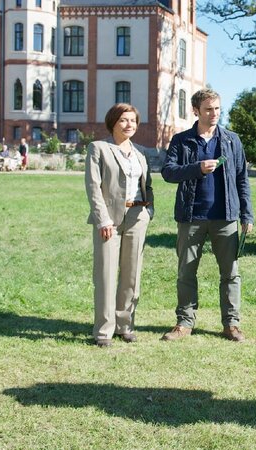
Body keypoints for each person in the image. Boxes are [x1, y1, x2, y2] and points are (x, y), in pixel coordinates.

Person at [161, 88, 253, 343]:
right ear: (196, 111)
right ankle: (184, 322)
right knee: (186, 272)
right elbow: (168, 172)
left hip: (226, 217)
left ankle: (231, 324)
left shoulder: (232, 140)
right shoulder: (182, 140)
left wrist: (247, 215)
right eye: (208, 109)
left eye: (217, 109)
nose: (214, 114)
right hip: (191, 216)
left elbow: (242, 179)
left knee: (230, 273)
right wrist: (197, 168)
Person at [84, 103, 154, 348]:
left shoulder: (140, 153)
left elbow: (148, 185)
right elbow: (93, 187)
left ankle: (125, 325)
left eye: (133, 120)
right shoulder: (99, 148)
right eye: (124, 120)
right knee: (106, 275)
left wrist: (149, 211)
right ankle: (104, 330)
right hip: (109, 220)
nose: (129, 125)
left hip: (137, 216)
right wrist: (103, 219)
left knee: (132, 274)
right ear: (113, 122)